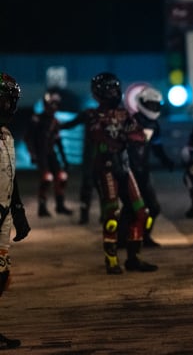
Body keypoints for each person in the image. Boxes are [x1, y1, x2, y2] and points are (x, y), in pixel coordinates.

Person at [85, 72, 157, 274]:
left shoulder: (124, 113)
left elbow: (140, 136)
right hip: (105, 169)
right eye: (109, 89)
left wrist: (124, 137)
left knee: (142, 213)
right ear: (99, 93)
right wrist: (125, 137)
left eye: (115, 89)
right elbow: (98, 136)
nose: (114, 93)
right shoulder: (93, 115)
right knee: (112, 215)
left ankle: (134, 258)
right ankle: (111, 260)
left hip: (124, 166)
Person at [120, 83, 175, 248]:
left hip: (144, 170)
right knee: (130, 207)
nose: (153, 108)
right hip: (128, 170)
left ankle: (145, 236)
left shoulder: (154, 125)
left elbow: (157, 146)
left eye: (156, 105)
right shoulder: (130, 121)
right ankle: (122, 239)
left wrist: (166, 160)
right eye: (150, 104)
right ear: (141, 103)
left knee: (153, 207)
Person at [0, 72, 31, 350]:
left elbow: (12, 175)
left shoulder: (7, 135)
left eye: (11, 101)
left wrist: (18, 210)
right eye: (5, 101)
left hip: (4, 212)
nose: (10, 106)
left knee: (2, 275)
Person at [24, 87, 73, 217]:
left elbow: (58, 141)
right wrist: (33, 154)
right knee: (47, 178)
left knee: (62, 177)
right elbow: (28, 138)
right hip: (41, 155)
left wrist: (64, 159)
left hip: (51, 154)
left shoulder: (55, 122)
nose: (54, 107)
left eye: (56, 105)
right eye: (52, 104)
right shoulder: (37, 119)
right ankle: (42, 208)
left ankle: (60, 206)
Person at [59, 108, 95, 225]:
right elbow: (71, 124)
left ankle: (106, 215)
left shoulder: (112, 113)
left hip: (103, 156)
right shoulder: (90, 113)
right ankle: (85, 215)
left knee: (104, 186)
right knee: (88, 185)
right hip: (91, 156)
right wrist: (56, 126)